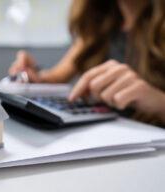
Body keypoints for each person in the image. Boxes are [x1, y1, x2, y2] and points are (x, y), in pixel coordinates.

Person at [9, 0, 165, 126]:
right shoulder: (96, 27)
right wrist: (33, 75)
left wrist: (159, 102)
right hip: (103, 134)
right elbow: (56, 76)